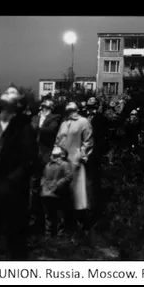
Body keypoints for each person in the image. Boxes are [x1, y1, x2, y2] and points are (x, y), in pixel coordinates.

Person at [0, 85, 37, 260]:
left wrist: (11, 182)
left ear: (18, 102)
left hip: (13, 190)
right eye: (7, 91)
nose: (8, 94)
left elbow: (29, 159)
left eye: (13, 93)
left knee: (15, 237)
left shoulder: (24, 127)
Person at [55, 102, 94, 242]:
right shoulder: (64, 123)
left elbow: (88, 141)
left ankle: (81, 228)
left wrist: (82, 156)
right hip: (63, 163)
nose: (70, 112)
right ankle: (65, 227)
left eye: (72, 110)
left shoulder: (83, 122)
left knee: (79, 195)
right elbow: (58, 140)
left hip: (76, 162)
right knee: (64, 194)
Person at [30, 99, 62, 235]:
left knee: (49, 193)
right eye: (44, 106)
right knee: (33, 192)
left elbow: (52, 129)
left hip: (47, 158)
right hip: (35, 159)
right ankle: (35, 224)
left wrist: (37, 128)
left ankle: (51, 228)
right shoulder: (35, 117)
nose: (45, 108)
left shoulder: (55, 118)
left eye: (47, 106)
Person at [40, 145, 73, 240]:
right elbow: (44, 177)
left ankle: (58, 235)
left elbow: (68, 177)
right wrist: (44, 187)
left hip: (58, 194)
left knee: (58, 215)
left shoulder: (64, 164)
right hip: (48, 193)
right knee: (49, 215)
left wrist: (57, 185)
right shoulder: (48, 165)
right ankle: (49, 236)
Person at [85, 97, 109, 217]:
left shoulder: (101, 118)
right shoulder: (82, 117)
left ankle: (94, 208)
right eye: (89, 107)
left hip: (94, 154)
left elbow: (104, 137)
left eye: (93, 107)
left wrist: (96, 151)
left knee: (93, 181)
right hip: (82, 153)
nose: (90, 110)